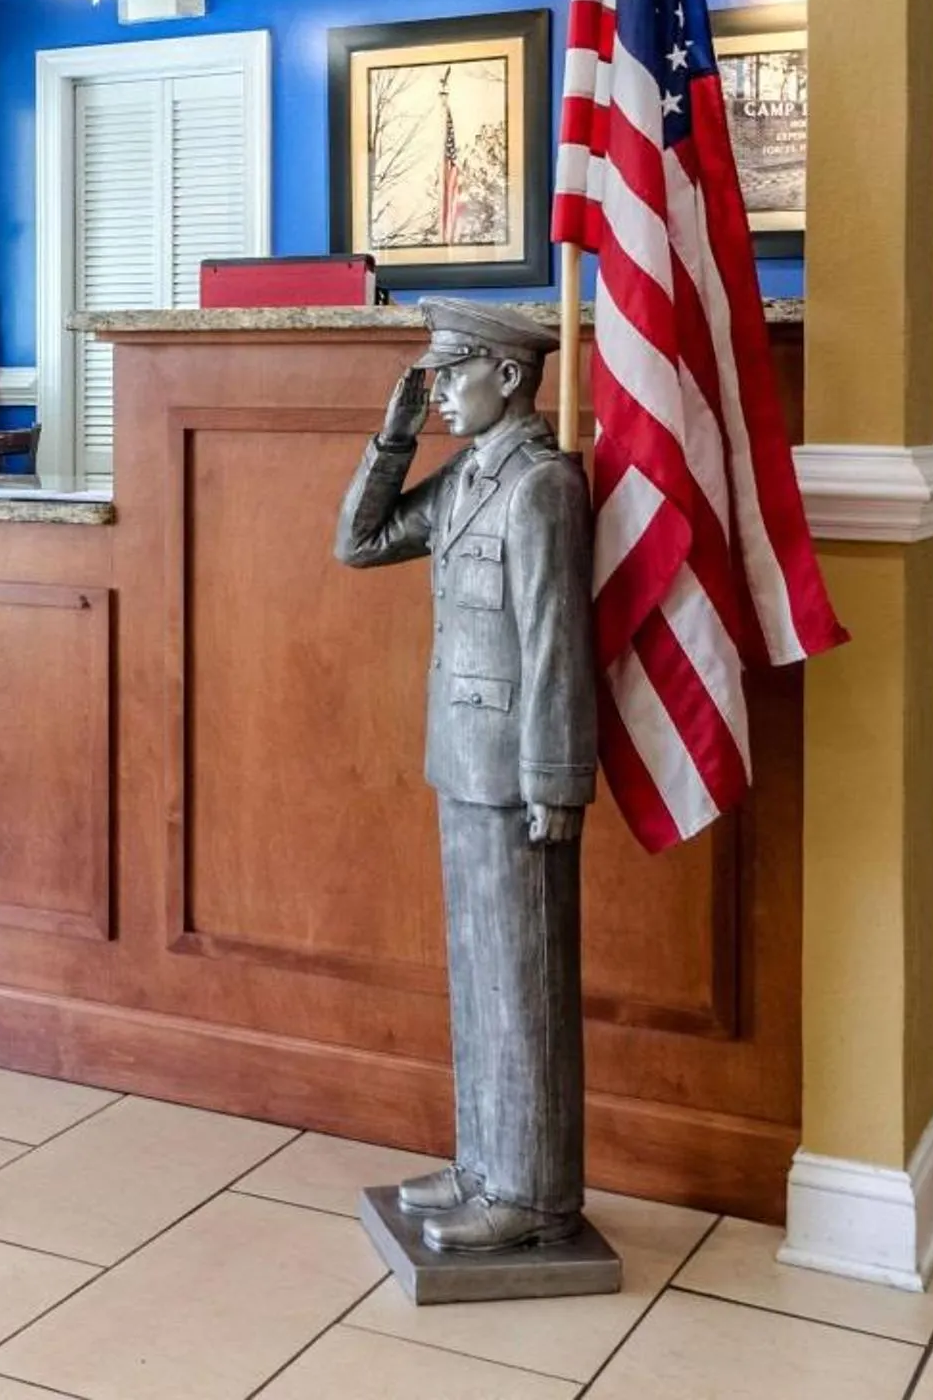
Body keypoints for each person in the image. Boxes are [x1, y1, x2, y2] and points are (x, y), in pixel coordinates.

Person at [334, 296, 594, 1253]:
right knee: (480, 977)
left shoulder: (540, 487)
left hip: (519, 776)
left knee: (523, 982)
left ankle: (535, 1193)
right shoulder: (464, 482)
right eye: (435, 378)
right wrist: (395, 437)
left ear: (512, 377)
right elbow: (358, 543)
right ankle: (486, 1163)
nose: (440, 391)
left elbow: (557, 640)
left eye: (454, 375)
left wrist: (559, 776)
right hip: (461, 757)